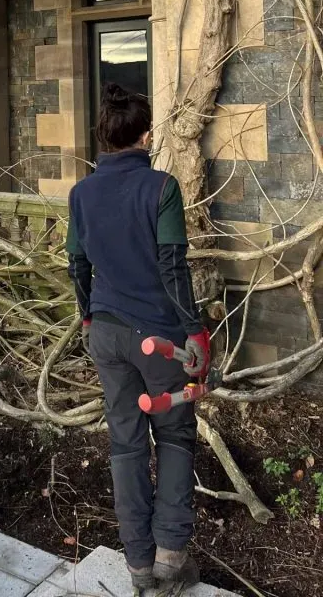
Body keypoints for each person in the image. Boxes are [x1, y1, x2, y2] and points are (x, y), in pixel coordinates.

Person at [66, 83, 210, 594]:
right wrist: (196, 331)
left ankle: (138, 569)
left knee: (125, 445)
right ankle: (171, 561)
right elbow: (173, 267)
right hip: (159, 339)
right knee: (173, 436)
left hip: (106, 334)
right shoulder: (161, 187)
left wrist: (88, 317)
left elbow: (77, 265)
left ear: (104, 138)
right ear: (145, 136)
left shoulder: (80, 194)